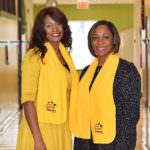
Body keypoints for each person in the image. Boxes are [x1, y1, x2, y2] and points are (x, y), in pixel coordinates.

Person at [69, 20, 141, 150]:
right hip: (85, 144)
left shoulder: (126, 70)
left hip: (112, 145)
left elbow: (130, 117)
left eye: (105, 37)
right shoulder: (86, 72)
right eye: (95, 38)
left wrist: (120, 147)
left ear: (114, 40)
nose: (99, 42)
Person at [16, 6, 78, 150]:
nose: (55, 29)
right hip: (41, 128)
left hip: (62, 127)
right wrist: (38, 140)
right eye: (49, 26)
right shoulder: (34, 56)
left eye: (58, 24)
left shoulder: (65, 56)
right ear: (41, 30)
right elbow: (28, 99)